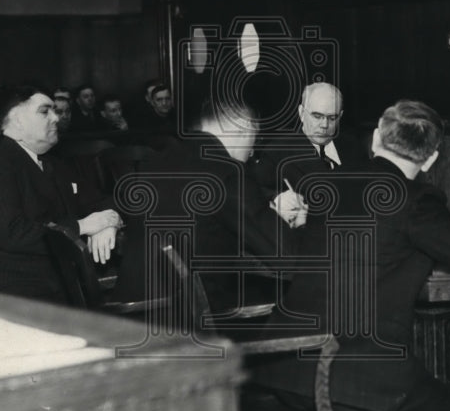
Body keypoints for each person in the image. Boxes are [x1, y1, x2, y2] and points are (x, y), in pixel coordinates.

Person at [256, 100, 450, 411]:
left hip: (283, 364)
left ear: (376, 138)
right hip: (354, 377)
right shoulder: (417, 200)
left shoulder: (328, 185)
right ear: (432, 158)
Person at [111, 98, 305, 311]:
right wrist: (301, 222)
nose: (251, 151)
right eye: (255, 138)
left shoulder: (154, 163)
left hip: (133, 312)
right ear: (244, 128)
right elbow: (289, 257)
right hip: (190, 324)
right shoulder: (228, 174)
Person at [0, 84, 121, 303]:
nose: (56, 117)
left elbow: (101, 200)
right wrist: (83, 226)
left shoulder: (52, 163)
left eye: (55, 110)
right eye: (45, 111)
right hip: (6, 288)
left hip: (52, 280)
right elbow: (14, 234)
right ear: (17, 119)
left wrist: (109, 222)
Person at [253, 82, 367, 194]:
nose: (324, 125)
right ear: (302, 113)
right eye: (317, 116)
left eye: (332, 118)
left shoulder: (354, 148)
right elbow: (256, 191)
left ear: (340, 116)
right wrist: (277, 200)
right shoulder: (277, 153)